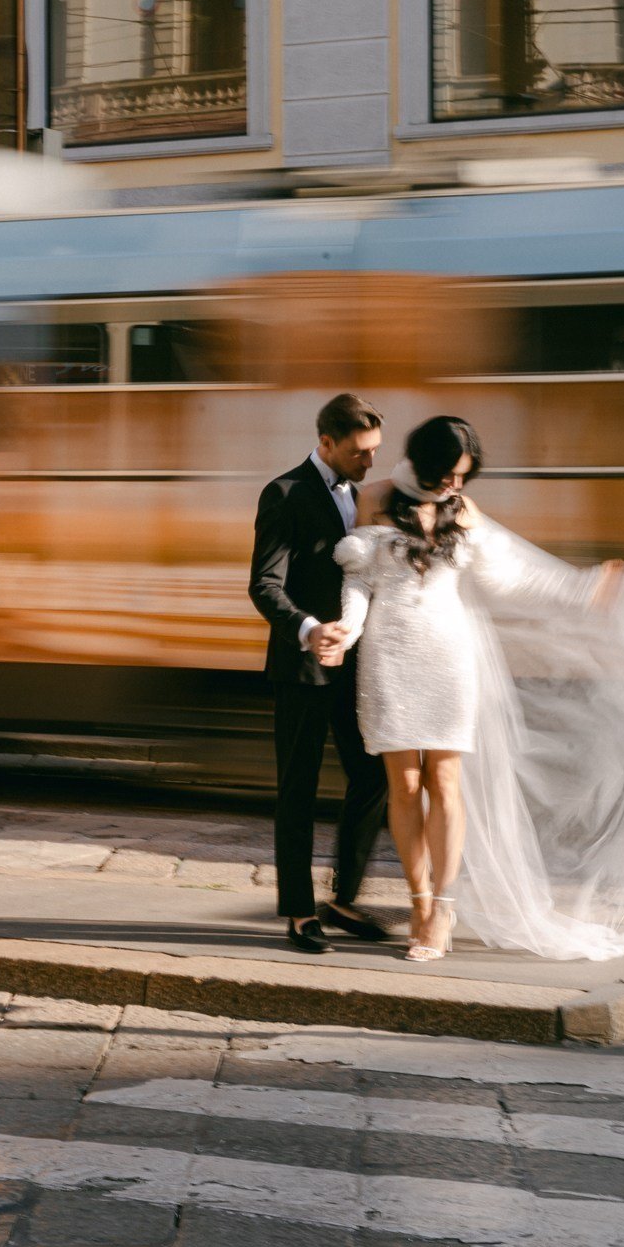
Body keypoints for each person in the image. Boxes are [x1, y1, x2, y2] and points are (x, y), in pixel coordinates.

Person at [330, 415, 624, 963]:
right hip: (390, 657)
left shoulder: (463, 512)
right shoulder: (372, 498)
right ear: (423, 461)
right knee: (403, 787)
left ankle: (443, 908)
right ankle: (419, 902)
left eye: (463, 476)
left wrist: (582, 588)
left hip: (450, 657)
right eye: (448, 474)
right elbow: (357, 580)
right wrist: (345, 634)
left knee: (445, 781)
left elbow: (509, 577)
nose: (455, 485)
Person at [248, 394, 390, 953]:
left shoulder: (365, 497)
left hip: (358, 668)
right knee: (298, 790)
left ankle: (343, 898)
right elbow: (264, 584)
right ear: (327, 443)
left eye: (375, 451)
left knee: (374, 775)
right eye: (360, 452)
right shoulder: (283, 493)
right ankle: (300, 911)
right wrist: (309, 629)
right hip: (302, 666)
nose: (370, 462)